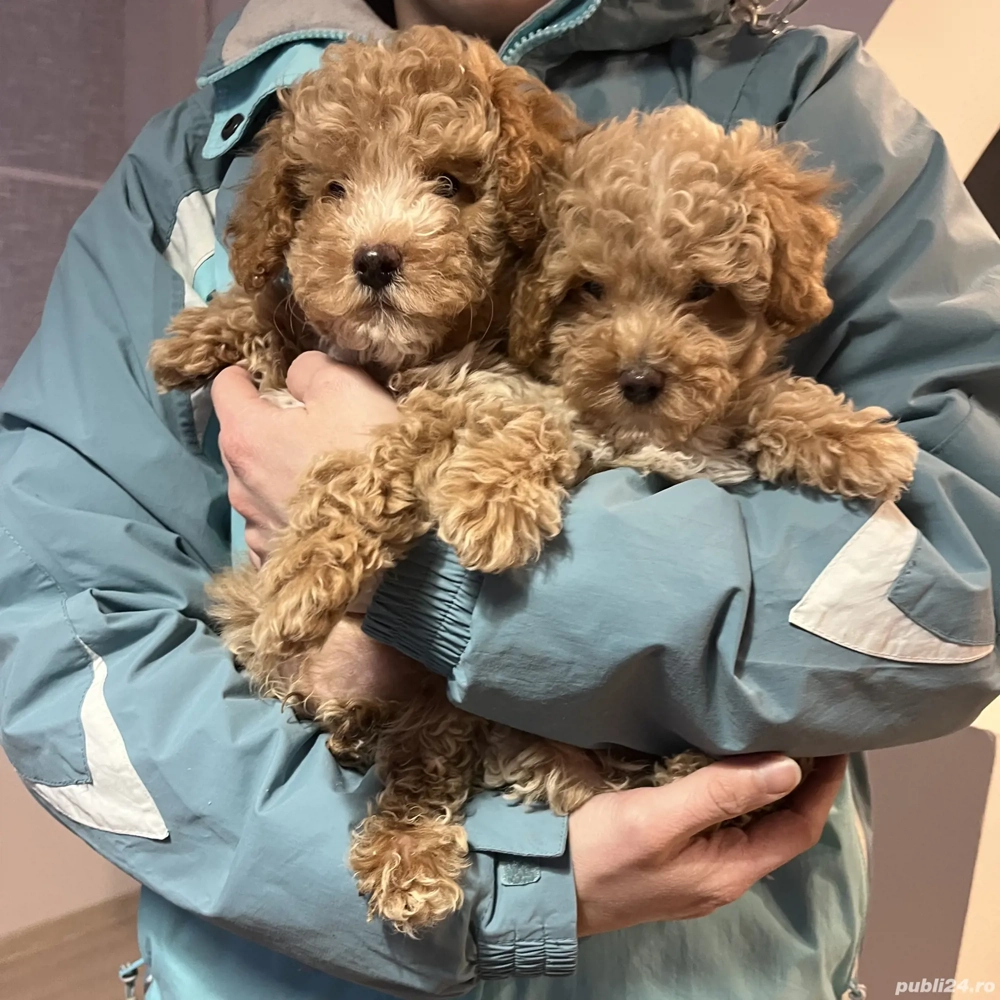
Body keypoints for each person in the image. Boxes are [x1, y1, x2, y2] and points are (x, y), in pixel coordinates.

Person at [0, 0, 997, 998]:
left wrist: (438, 583)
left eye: (452, 186)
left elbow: (962, 581)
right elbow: (59, 635)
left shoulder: (816, 111)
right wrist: (496, 889)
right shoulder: (192, 161)